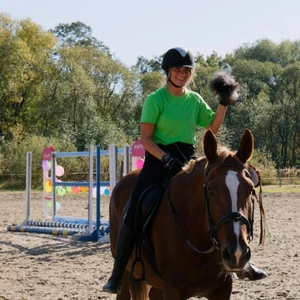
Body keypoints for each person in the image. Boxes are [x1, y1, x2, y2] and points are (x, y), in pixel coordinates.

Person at [103, 47, 267, 294]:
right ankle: (117, 274)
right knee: (133, 209)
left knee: (220, 197)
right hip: (158, 162)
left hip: (188, 159)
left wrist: (224, 102)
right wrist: (164, 157)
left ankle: (241, 260)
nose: (182, 74)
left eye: (187, 70)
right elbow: (145, 139)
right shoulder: (155, 100)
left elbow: (212, 125)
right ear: (168, 72)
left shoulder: (194, 99)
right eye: (177, 70)